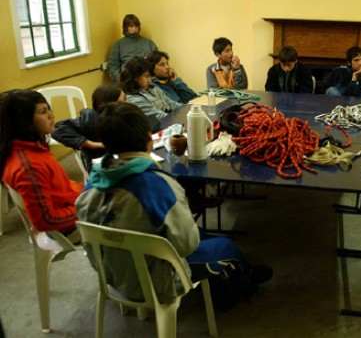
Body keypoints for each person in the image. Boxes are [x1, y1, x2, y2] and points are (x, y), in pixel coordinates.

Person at [75, 102, 272, 310]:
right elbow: (187, 244)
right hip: (153, 280)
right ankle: (243, 283)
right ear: (148, 138)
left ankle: (226, 280)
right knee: (224, 245)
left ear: (105, 143)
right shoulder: (158, 186)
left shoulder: (90, 185)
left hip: (113, 274)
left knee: (201, 232)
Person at [0, 90, 83, 242]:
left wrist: (88, 192)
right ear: (23, 121)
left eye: (49, 109)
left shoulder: (30, 148)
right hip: (67, 229)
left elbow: (58, 187)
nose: (51, 115)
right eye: (43, 112)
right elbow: (46, 221)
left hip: (73, 207)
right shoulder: (28, 166)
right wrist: (89, 207)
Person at [52, 84, 126, 172]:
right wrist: (91, 144)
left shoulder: (122, 116)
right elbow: (57, 129)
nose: (127, 102)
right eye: (124, 99)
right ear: (112, 102)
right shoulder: (91, 118)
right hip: (101, 166)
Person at [121, 56, 181, 132]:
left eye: (150, 76)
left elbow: (172, 104)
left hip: (169, 123)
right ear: (135, 77)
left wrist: (190, 109)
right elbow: (159, 116)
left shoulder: (153, 87)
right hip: (157, 130)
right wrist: (182, 119)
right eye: (146, 76)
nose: (149, 80)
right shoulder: (134, 99)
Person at [108, 14, 157, 84]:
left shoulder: (149, 43)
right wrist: (120, 80)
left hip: (149, 80)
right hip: (128, 82)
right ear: (125, 27)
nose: (134, 29)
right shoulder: (118, 45)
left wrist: (153, 78)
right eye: (131, 26)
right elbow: (113, 66)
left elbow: (157, 62)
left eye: (136, 26)